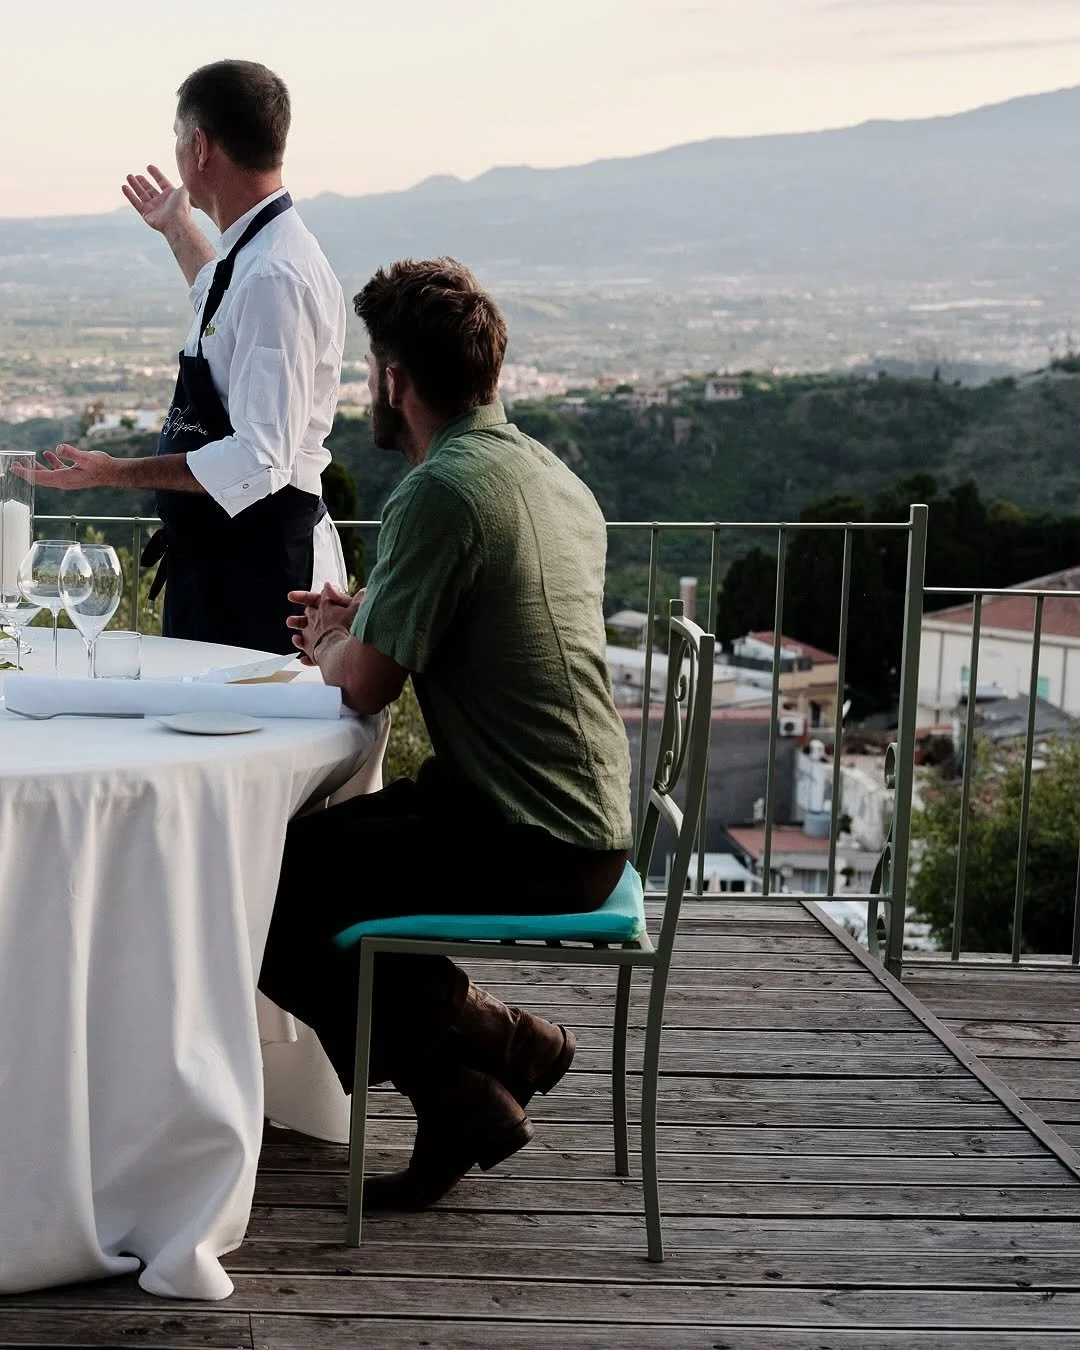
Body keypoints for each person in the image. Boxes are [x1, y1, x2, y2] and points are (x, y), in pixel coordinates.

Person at [258, 257, 633, 1209]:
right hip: (579, 815)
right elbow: (433, 618)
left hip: (526, 833)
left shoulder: (442, 491)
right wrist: (356, 624)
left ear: (393, 381)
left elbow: (364, 689)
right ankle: (481, 1062)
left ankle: (476, 1067)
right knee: (305, 871)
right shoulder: (543, 473)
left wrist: (342, 637)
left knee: (261, 887)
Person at [19, 60, 348, 653]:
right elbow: (222, 310)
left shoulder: (276, 273)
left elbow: (259, 457)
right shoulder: (253, 254)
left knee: (249, 742)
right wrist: (176, 227)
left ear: (199, 147)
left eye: (177, 136)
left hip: (263, 570)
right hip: (220, 555)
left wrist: (114, 473)